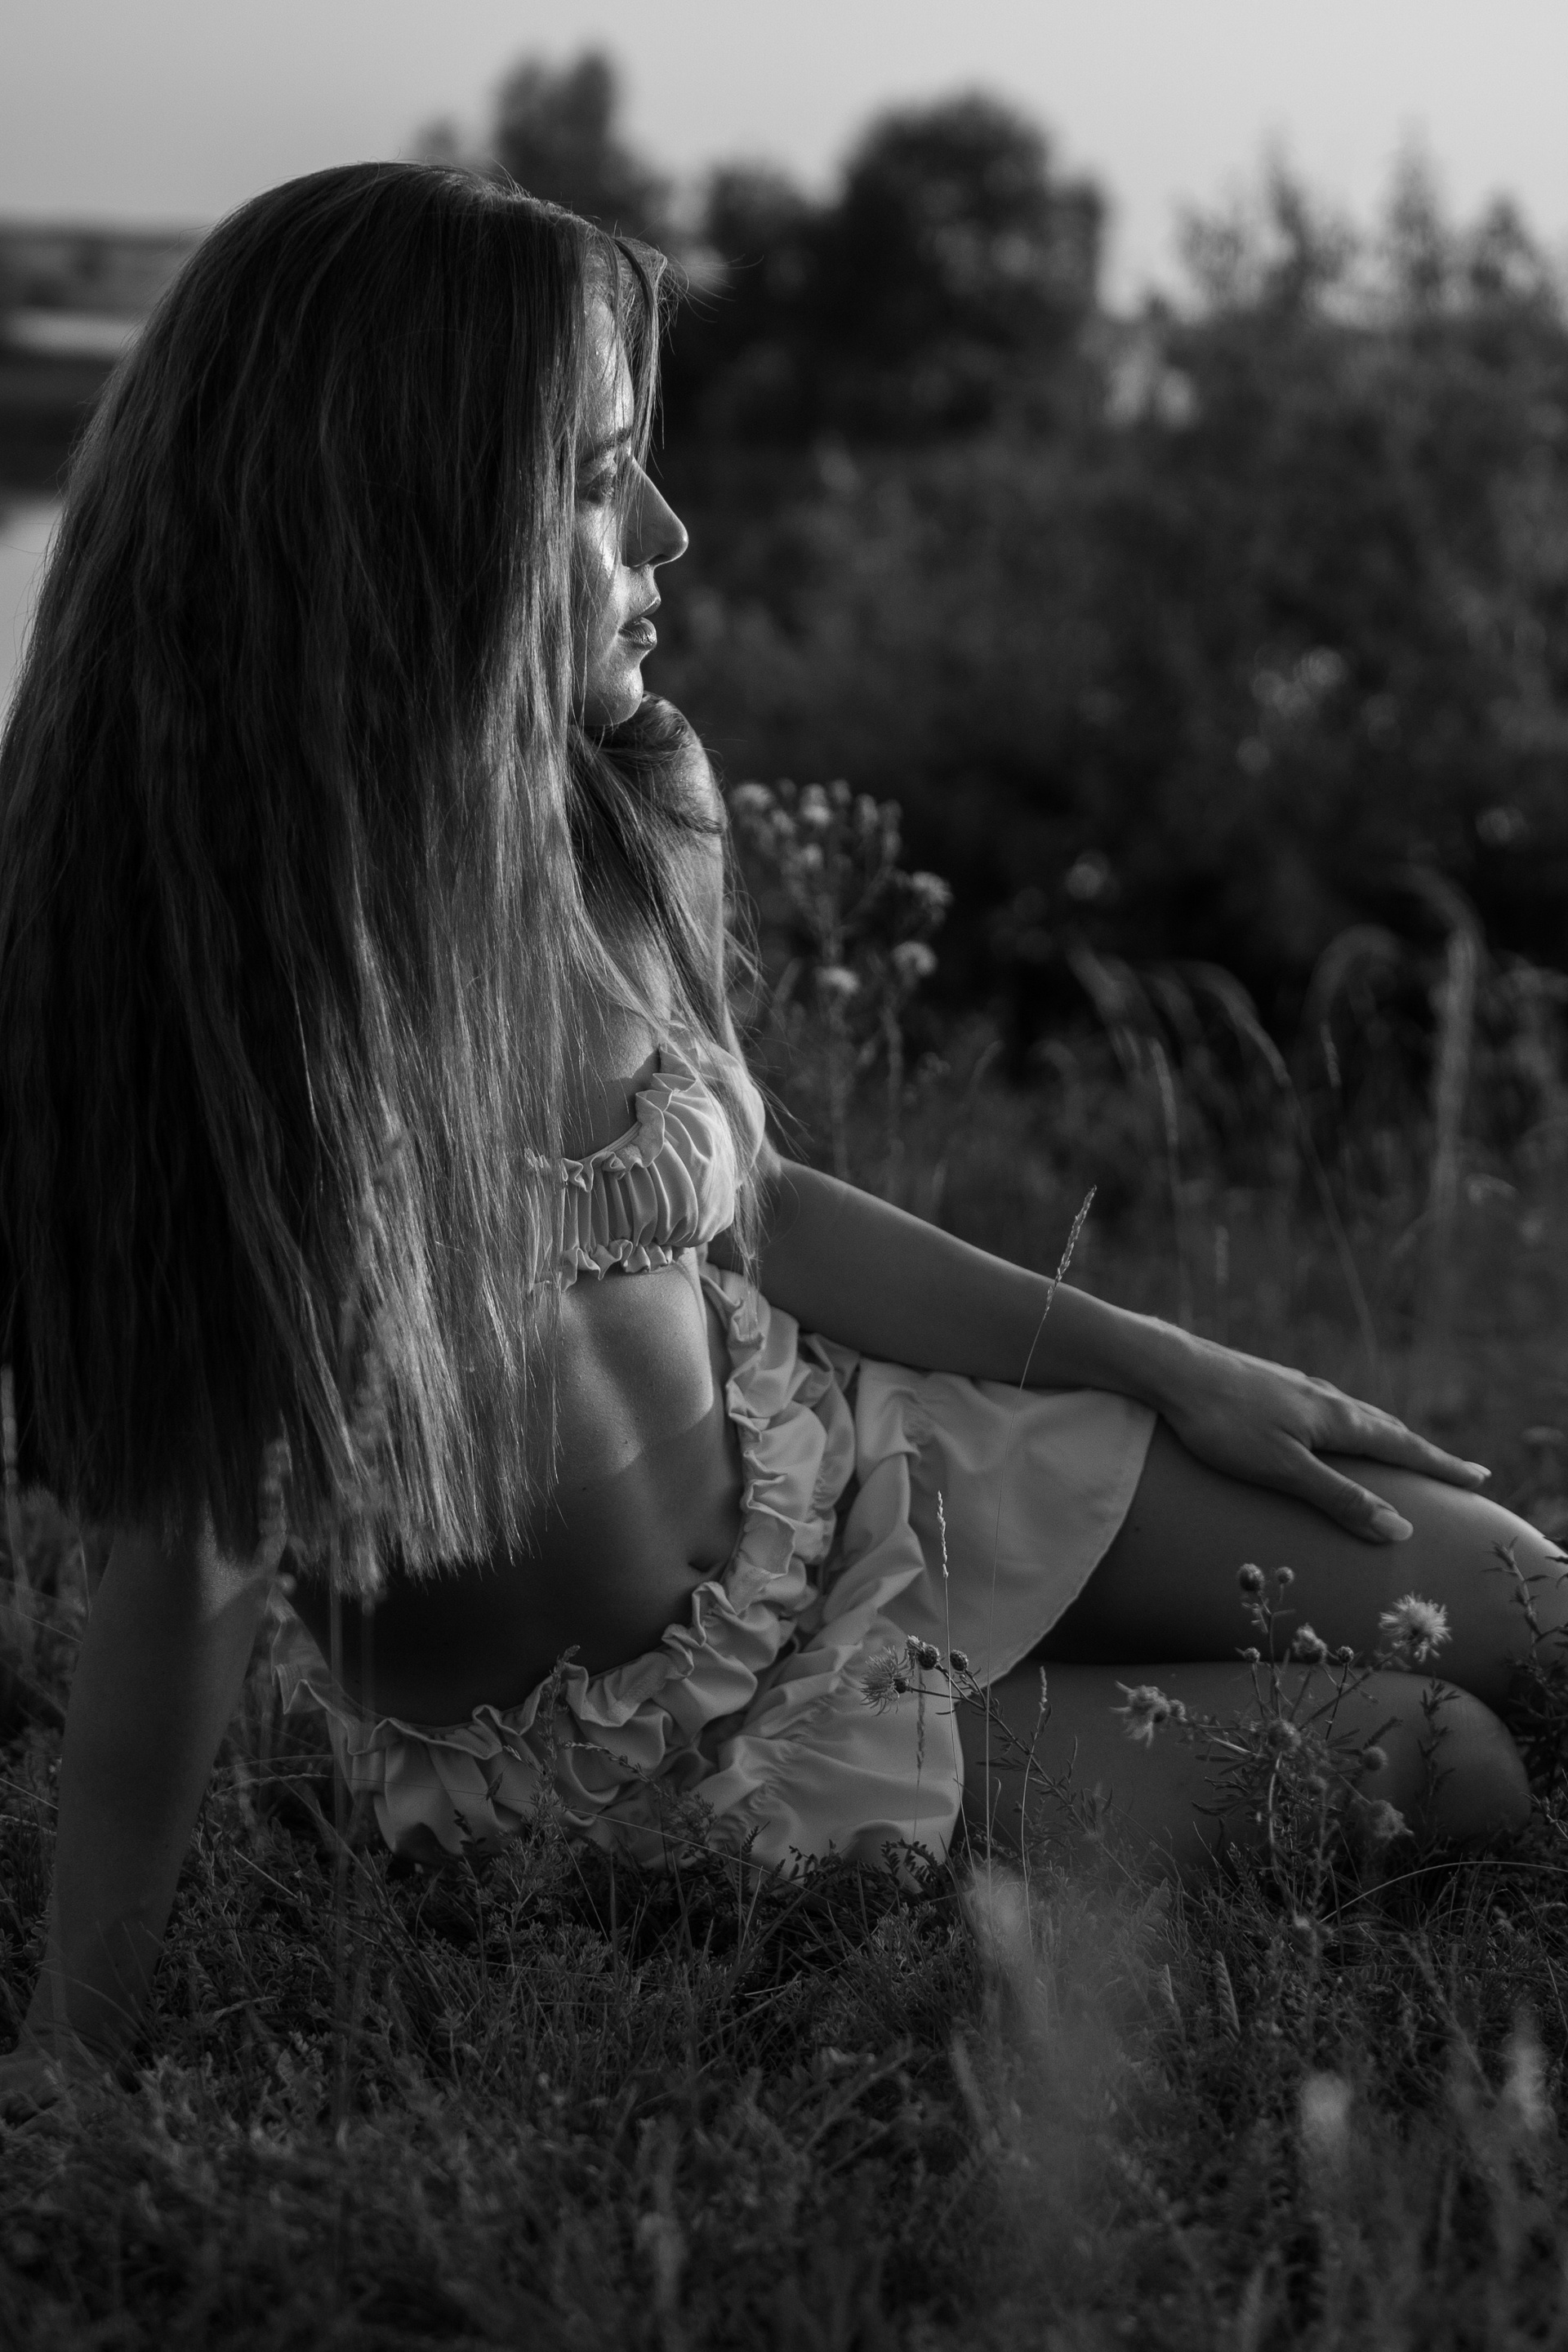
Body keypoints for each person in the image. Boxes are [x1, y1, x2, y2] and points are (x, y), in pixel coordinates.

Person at [0, 163, 1559, 2118]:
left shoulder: (620, 811)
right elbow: (184, 1569)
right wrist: (78, 2052)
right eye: (600, 478)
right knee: (1447, 1765)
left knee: (1529, 1604)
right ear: (401, 527)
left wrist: (1169, 1365)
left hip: (855, 1469)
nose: (670, 527)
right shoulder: (249, 1012)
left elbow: (763, 1211)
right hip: (672, 1753)